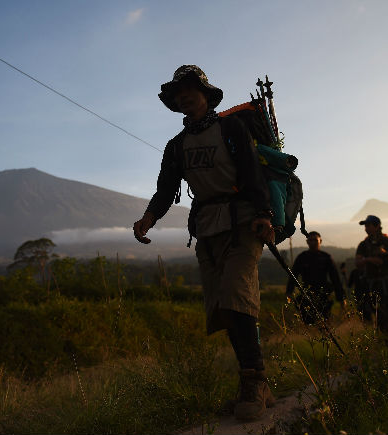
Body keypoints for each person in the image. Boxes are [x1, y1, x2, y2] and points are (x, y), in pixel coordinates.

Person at [133, 65, 275, 421]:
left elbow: (250, 172)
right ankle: (254, 380)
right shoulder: (177, 146)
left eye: (189, 89)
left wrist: (263, 213)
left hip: (242, 221)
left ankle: (253, 380)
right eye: (177, 93)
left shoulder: (231, 128)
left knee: (236, 295)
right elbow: (166, 189)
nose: (183, 95)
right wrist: (148, 218)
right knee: (224, 308)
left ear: (205, 93)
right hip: (207, 228)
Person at [286, 231, 346, 325]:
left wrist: (341, 298)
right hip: (306, 294)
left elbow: (335, 279)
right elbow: (293, 276)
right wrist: (289, 292)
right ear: (307, 242)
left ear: (320, 241)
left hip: (323, 295)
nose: (313, 242)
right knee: (309, 322)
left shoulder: (326, 258)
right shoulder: (302, 258)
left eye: (315, 240)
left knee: (324, 322)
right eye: (310, 240)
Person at [354, 215, 388, 335]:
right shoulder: (363, 245)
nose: (366, 228)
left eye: (368, 225)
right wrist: (369, 260)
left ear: (377, 226)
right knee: (371, 312)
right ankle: (377, 338)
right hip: (370, 283)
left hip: (386, 283)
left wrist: (384, 254)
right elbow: (357, 263)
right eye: (365, 226)